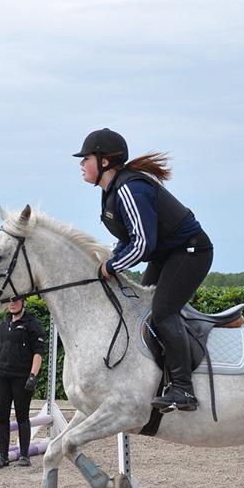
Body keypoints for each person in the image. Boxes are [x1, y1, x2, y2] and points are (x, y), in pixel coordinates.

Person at [73, 128, 213, 413]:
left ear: (104, 161)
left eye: (85, 158)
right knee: (142, 311)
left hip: (191, 252)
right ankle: (160, 380)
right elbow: (127, 240)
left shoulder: (129, 189)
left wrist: (111, 265)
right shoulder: (111, 193)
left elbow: (143, 244)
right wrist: (108, 260)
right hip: (167, 255)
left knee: (161, 313)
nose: (81, 164)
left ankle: (184, 389)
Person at [0, 298, 45, 468]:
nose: (12, 304)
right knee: (1, 416)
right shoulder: (3, 324)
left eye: (15, 301)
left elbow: (38, 353)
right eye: (9, 302)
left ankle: (24, 455)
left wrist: (33, 375)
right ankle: (3, 456)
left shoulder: (32, 324)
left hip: (22, 376)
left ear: (23, 302)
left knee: (22, 416)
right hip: (2, 376)